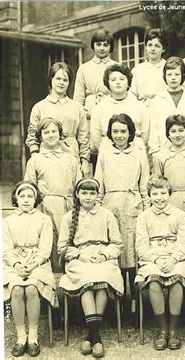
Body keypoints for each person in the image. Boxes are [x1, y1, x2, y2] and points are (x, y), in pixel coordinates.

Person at [57, 178, 123, 358]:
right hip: (79, 259)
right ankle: (96, 338)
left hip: (103, 257)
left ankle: (91, 336)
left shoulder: (107, 215)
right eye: (84, 193)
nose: (88, 197)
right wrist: (80, 255)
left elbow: (117, 243)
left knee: (102, 278)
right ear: (77, 195)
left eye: (92, 193)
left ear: (97, 195)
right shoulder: (69, 217)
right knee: (87, 280)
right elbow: (62, 248)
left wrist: (104, 255)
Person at [94, 114, 150, 320]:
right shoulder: (105, 153)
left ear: (130, 133)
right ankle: (115, 303)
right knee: (114, 254)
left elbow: (144, 185)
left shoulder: (138, 153)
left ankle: (135, 303)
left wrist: (145, 210)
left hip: (133, 205)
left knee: (132, 255)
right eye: (115, 131)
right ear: (110, 133)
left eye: (123, 131)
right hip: (110, 206)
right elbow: (98, 184)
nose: (119, 135)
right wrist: (99, 211)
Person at [135, 175, 185, 351]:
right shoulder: (143, 217)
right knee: (154, 282)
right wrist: (155, 259)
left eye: (163, 192)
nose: (159, 197)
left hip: (175, 257)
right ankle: (162, 329)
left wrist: (172, 259)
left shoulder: (180, 215)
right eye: (155, 193)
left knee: (176, 281)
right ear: (149, 196)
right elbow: (141, 244)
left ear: (169, 193)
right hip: (152, 257)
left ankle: (173, 330)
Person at [3, 181, 58, 357]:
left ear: (36, 199)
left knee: (32, 288)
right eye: (22, 196)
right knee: (17, 289)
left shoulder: (44, 219)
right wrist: (17, 265)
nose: (26, 200)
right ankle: (21, 338)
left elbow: (45, 248)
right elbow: (5, 249)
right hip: (14, 264)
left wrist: (33, 264)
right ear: (15, 199)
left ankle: (33, 337)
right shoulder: (7, 221)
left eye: (30, 196)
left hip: (38, 263)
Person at [24, 117, 82, 273]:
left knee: (68, 242)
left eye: (54, 131)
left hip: (67, 206)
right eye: (46, 132)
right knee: (49, 242)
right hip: (45, 207)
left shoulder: (70, 159)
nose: (50, 135)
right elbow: (29, 189)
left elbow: (79, 186)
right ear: (40, 136)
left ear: (60, 134)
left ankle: (69, 279)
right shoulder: (35, 160)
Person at [26, 62, 90, 176]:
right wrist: (35, 155)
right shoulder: (39, 107)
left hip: (71, 155)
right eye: (58, 78)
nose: (61, 83)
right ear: (51, 80)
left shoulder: (77, 108)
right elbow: (32, 135)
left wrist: (85, 161)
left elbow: (84, 137)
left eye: (65, 80)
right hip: (47, 156)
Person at [90, 63, 150, 159]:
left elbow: (145, 135)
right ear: (108, 83)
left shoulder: (140, 107)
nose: (118, 82)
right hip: (108, 156)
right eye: (113, 80)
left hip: (135, 155)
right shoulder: (99, 108)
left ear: (128, 82)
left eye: (122, 79)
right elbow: (96, 138)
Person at [148, 57, 185, 157]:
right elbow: (154, 129)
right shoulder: (157, 100)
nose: (173, 78)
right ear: (164, 76)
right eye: (169, 74)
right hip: (164, 154)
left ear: (182, 76)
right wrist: (156, 152)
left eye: (177, 74)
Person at [73, 29, 117, 118]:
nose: (102, 48)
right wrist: (82, 115)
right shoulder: (84, 68)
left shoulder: (116, 66)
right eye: (98, 44)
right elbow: (78, 98)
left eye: (106, 45)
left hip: (112, 110)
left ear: (110, 47)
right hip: (89, 111)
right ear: (93, 45)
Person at [130, 29, 168, 105]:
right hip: (142, 108)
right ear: (145, 47)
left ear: (163, 49)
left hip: (163, 108)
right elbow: (132, 94)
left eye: (157, 46)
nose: (153, 49)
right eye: (150, 45)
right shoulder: (137, 70)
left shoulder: (168, 68)